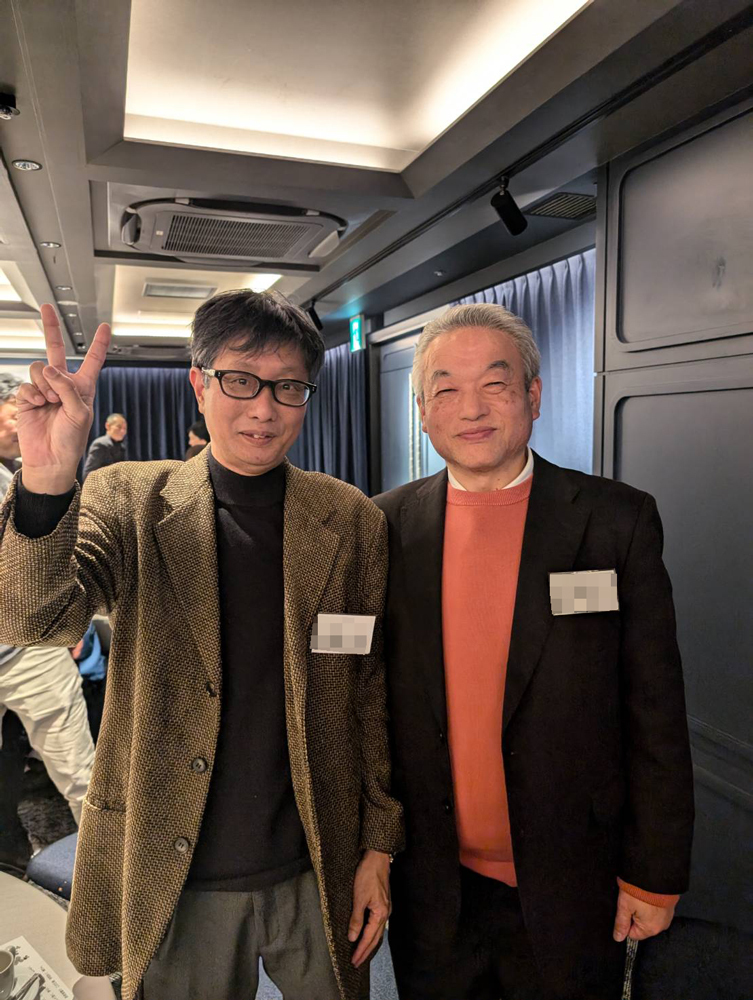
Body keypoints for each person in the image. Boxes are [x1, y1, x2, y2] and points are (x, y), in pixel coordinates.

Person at [0, 293, 402, 1000]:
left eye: (287, 387)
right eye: (240, 380)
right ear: (199, 382)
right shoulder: (130, 500)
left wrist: (379, 844)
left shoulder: (349, 519)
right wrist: (47, 482)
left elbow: (366, 691)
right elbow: (36, 621)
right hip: (175, 869)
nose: (263, 408)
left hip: (317, 860)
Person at [373, 303, 694, 1000]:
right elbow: (363, 699)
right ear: (422, 411)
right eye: (446, 390)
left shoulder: (614, 519)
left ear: (534, 395)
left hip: (573, 878)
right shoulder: (384, 524)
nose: (471, 409)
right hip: (432, 881)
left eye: (495, 383)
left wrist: (654, 872)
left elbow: (655, 707)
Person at [0, 372, 95, 871]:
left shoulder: (24, 475)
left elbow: (55, 560)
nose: (20, 423)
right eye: (14, 412)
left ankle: (111, 880)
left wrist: (66, 620)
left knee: (80, 772)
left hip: (29, 651)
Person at [81, 412, 127, 480]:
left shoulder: (122, 447)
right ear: (107, 426)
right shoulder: (100, 444)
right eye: (119, 427)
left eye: (124, 428)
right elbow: (88, 474)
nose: (123, 431)